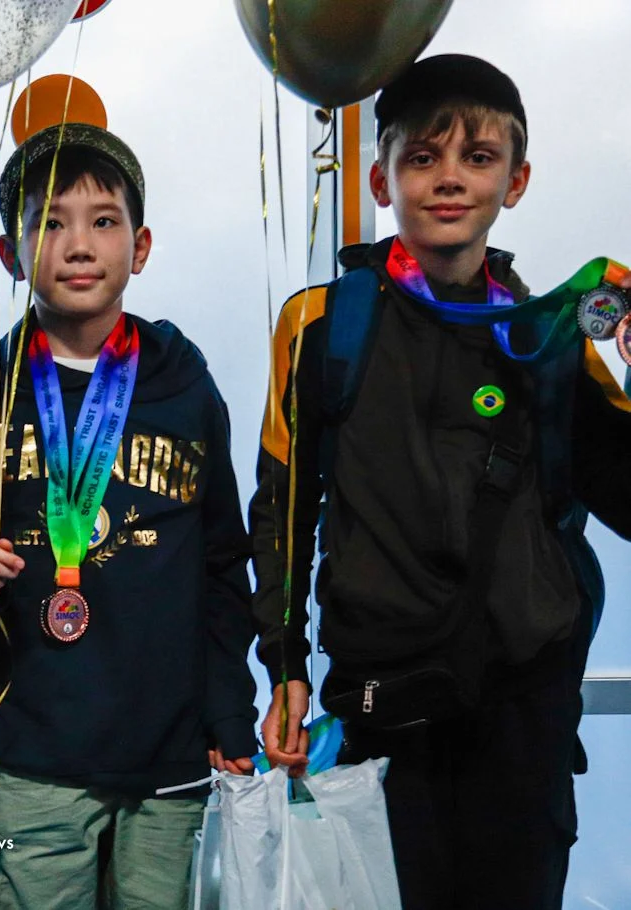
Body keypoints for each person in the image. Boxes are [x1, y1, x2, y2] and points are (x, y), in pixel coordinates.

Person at [250, 54, 631, 909]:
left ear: (516, 181)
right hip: (383, 709)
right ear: (381, 179)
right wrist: (284, 663)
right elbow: (282, 509)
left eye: (478, 158)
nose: (449, 179)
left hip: (522, 714)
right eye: (422, 157)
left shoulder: (550, 337)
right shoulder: (324, 325)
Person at [0, 122, 259, 907]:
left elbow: (222, 561)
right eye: (50, 223)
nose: (78, 245)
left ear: (139, 247)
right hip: (33, 757)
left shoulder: (185, 386)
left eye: (103, 221)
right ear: (11, 255)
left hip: (170, 756)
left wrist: (230, 713)